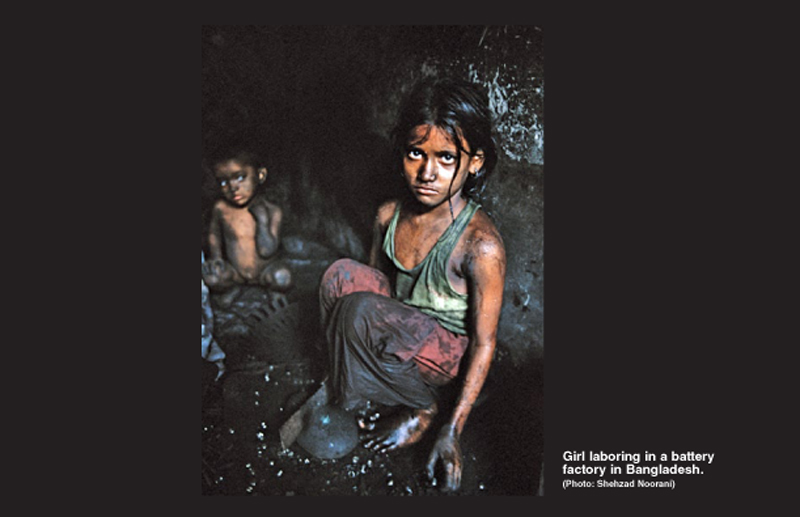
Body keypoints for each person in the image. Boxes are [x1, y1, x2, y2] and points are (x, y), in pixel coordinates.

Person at [318, 78, 506, 492]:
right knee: (340, 277)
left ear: (474, 161)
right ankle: (373, 390)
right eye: (415, 153)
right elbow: (370, 287)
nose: (426, 172)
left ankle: (422, 408)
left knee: (361, 312)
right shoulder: (388, 214)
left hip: (442, 354)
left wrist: (452, 430)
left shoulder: (480, 245)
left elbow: (485, 342)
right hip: (397, 331)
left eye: (445, 158)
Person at [201, 148, 293, 304]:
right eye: (223, 181)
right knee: (211, 277)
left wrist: (262, 221)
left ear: (260, 175)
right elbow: (214, 235)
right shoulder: (221, 209)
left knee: (283, 277)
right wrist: (216, 258)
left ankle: (273, 292)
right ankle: (234, 288)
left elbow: (266, 250)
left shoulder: (272, 210)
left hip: (265, 271)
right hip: (235, 273)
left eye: (240, 177)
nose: (233, 187)